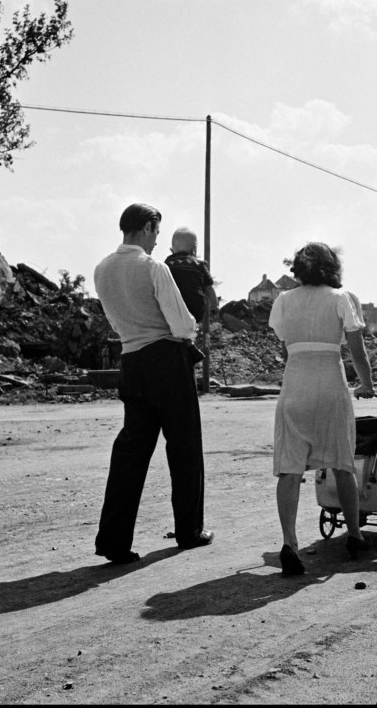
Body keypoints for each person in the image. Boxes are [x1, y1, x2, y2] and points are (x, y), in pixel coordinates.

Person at [93, 203, 214, 564]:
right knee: (184, 447)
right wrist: (190, 331)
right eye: (157, 232)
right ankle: (189, 531)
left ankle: (114, 541)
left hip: (131, 360)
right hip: (167, 360)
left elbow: (114, 319)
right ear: (146, 227)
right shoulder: (152, 267)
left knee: (130, 453)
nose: (158, 240)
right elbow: (182, 323)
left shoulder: (102, 269)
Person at [268, 242, 375, 576]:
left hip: (295, 385)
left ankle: (290, 543)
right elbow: (357, 353)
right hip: (331, 385)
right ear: (331, 267)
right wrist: (367, 384)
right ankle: (354, 535)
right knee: (343, 463)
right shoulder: (341, 299)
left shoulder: (283, 301)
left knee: (290, 469)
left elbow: (287, 346)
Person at [165, 227, 219, 364]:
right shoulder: (200, 265)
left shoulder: (167, 265)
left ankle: (186, 343)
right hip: (196, 308)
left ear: (172, 249)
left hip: (176, 307)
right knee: (190, 323)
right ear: (194, 250)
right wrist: (215, 305)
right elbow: (209, 288)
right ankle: (189, 342)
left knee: (173, 323)